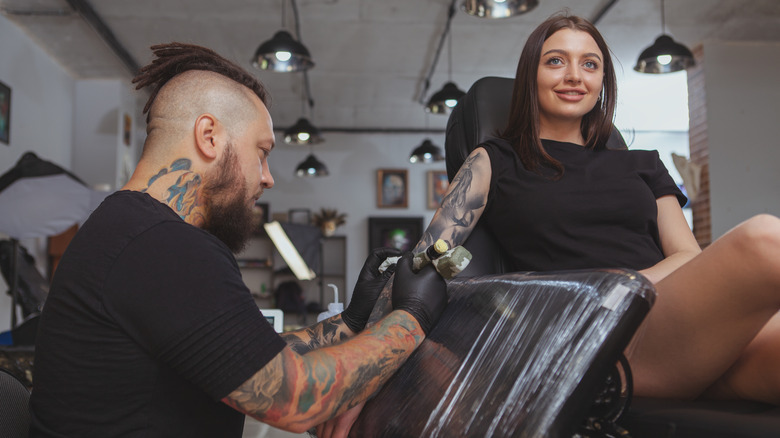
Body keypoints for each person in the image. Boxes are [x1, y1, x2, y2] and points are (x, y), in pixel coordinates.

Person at [28, 42, 447, 437]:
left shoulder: (131, 229)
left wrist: (352, 320)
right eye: (261, 152)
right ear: (209, 136)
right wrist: (411, 317)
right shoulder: (165, 245)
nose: (267, 177)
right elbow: (295, 397)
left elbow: (252, 359)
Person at [417, 12, 780, 406]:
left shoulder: (643, 163)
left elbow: (687, 256)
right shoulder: (493, 160)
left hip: (669, 318)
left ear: (601, 81)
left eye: (590, 64)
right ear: (529, 75)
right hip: (593, 336)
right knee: (764, 240)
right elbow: (424, 262)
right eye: (556, 60)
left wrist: (622, 286)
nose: (575, 75)